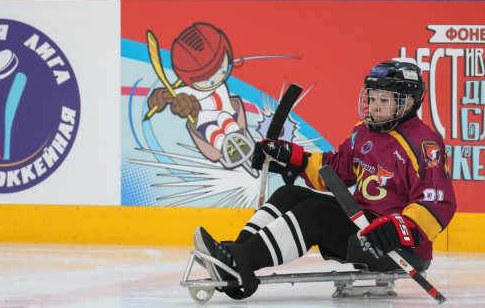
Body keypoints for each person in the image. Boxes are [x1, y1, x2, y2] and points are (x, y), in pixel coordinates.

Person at [192, 60, 457, 299]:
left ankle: (239, 262)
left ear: (408, 102)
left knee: (314, 213)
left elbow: (437, 202)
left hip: (394, 247)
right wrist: (292, 158)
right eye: (373, 99)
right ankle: (235, 256)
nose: (375, 108)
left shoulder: (424, 143)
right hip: (363, 226)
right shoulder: (363, 132)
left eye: (384, 101)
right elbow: (337, 169)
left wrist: (397, 229)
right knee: (289, 195)